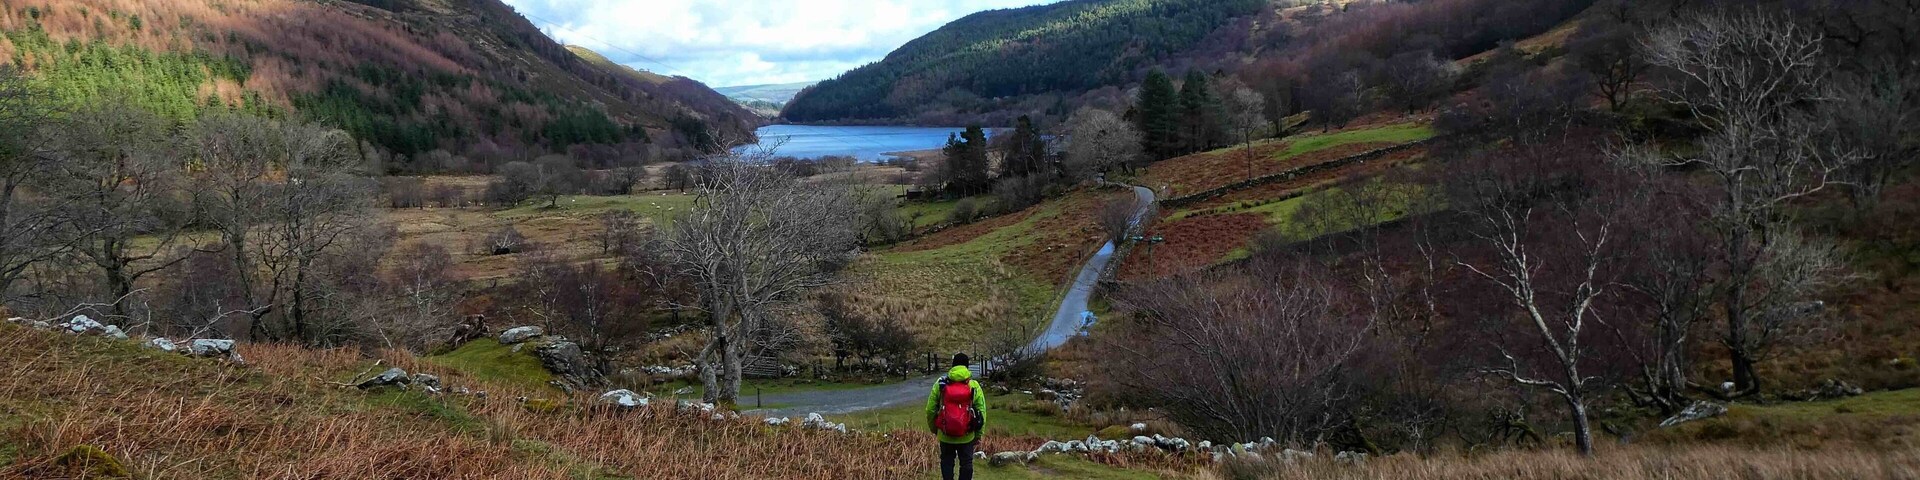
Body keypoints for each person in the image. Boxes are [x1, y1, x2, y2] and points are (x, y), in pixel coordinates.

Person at [925, 353, 987, 480]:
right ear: (967, 367)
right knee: (966, 463)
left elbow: (930, 409)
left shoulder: (940, 384)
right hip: (967, 434)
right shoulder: (973, 385)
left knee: (947, 461)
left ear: (953, 366)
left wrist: (935, 429)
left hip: (945, 433)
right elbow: (982, 412)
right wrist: (979, 434)